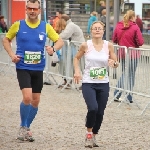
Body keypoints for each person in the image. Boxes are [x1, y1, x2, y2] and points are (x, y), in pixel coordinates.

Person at [2, 0, 64, 142]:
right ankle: (23, 127)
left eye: (35, 9)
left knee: (36, 101)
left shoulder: (45, 26)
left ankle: (26, 128)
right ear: (26, 9)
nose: (32, 11)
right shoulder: (18, 24)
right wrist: (12, 55)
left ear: (39, 11)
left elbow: (60, 41)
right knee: (27, 97)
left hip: (38, 68)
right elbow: (6, 40)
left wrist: (53, 49)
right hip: (23, 67)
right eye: (29, 8)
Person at [74, 21, 119, 148]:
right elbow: (76, 58)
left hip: (103, 83)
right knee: (93, 108)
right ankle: (88, 134)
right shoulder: (85, 45)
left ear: (103, 31)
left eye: (100, 28)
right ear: (91, 31)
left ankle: (94, 134)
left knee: (100, 111)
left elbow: (116, 62)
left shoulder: (108, 45)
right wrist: (77, 71)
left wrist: (113, 63)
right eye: (95, 28)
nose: (97, 30)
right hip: (89, 82)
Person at [112, 10, 144, 103]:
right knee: (130, 74)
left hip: (122, 53)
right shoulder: (135, 27)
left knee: (125, 72)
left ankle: (122, 95)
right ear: (133, 17)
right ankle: (124, 95)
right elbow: (140, 42)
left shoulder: (119, 25)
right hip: (133, 53)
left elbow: (114, 39)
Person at [59, 14, 85, 87]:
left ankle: (85, 83)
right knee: (70, 64)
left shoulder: (70, 26)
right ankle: (68, 80)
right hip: (76, 46)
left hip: (78, 47)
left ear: (64, 20)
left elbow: (65, 35)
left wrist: (55, 37)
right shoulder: (70, 25)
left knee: (80, 65)